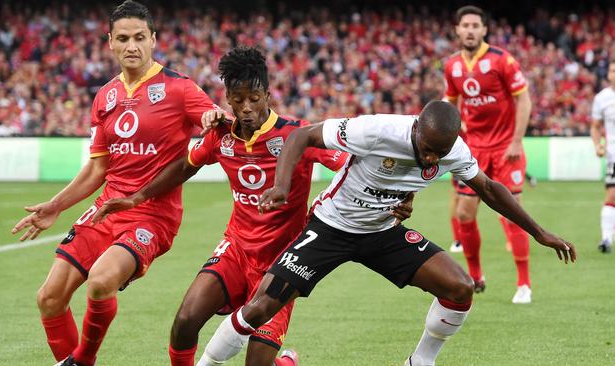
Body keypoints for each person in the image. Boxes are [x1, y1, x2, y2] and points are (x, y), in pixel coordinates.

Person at [197, 101, 576, 366]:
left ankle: (420, 360)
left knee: (459, 288)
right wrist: (281, 186)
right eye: (427, 150)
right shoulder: (377, 130)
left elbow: (490, 189)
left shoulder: (451, 149)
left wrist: (540, 232)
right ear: (415, 130)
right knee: (262, 306)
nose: (431, 160)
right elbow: (301, 137)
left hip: (381, 231)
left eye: (438, 155)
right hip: (331, 226)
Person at [92, 47, 361, 366]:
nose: (246, 108)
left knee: (256, 361)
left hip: (283, 261)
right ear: (228, 98)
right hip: (236, 249)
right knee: (185, 321)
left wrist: (381, 199)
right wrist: (137, 197)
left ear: (268, 95)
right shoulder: (221, 136)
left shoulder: (295, 134)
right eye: (237, 99)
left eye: (254, 98)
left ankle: (284, 363)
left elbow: (348, 164)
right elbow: (184, 167)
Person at [10, 1, 219, 365]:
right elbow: (97, 170)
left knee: (101, 280)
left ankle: (82, 361)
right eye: (123, 39)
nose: (132, 46)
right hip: (107, 207)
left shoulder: (180, 89)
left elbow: (215, 118)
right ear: (110, 42)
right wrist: (55, 206)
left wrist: (213, 116)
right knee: (49, 297)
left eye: (140, 37)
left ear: (154, 39)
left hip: (153, 214)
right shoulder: (104, 96)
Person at [443, 5, 534, 303]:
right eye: (465, 25)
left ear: (484, 30)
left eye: (475, 25)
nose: (469, 30)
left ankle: (524, 283)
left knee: (513, 212)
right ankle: (475, 276)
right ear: (457, 30)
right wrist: (450, 140)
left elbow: (524, 102)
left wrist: (517, 141)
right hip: (474, 149)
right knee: (464, 212)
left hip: (506, 147)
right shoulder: (452, 66)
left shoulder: (502, 60)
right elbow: (450, 105)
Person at [591, 59, 615, 254]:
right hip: (613, 156)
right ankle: (606, 238)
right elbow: (595, 126)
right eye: (612, 71)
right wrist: (598, 144)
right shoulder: (602, 98)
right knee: (612, 195)